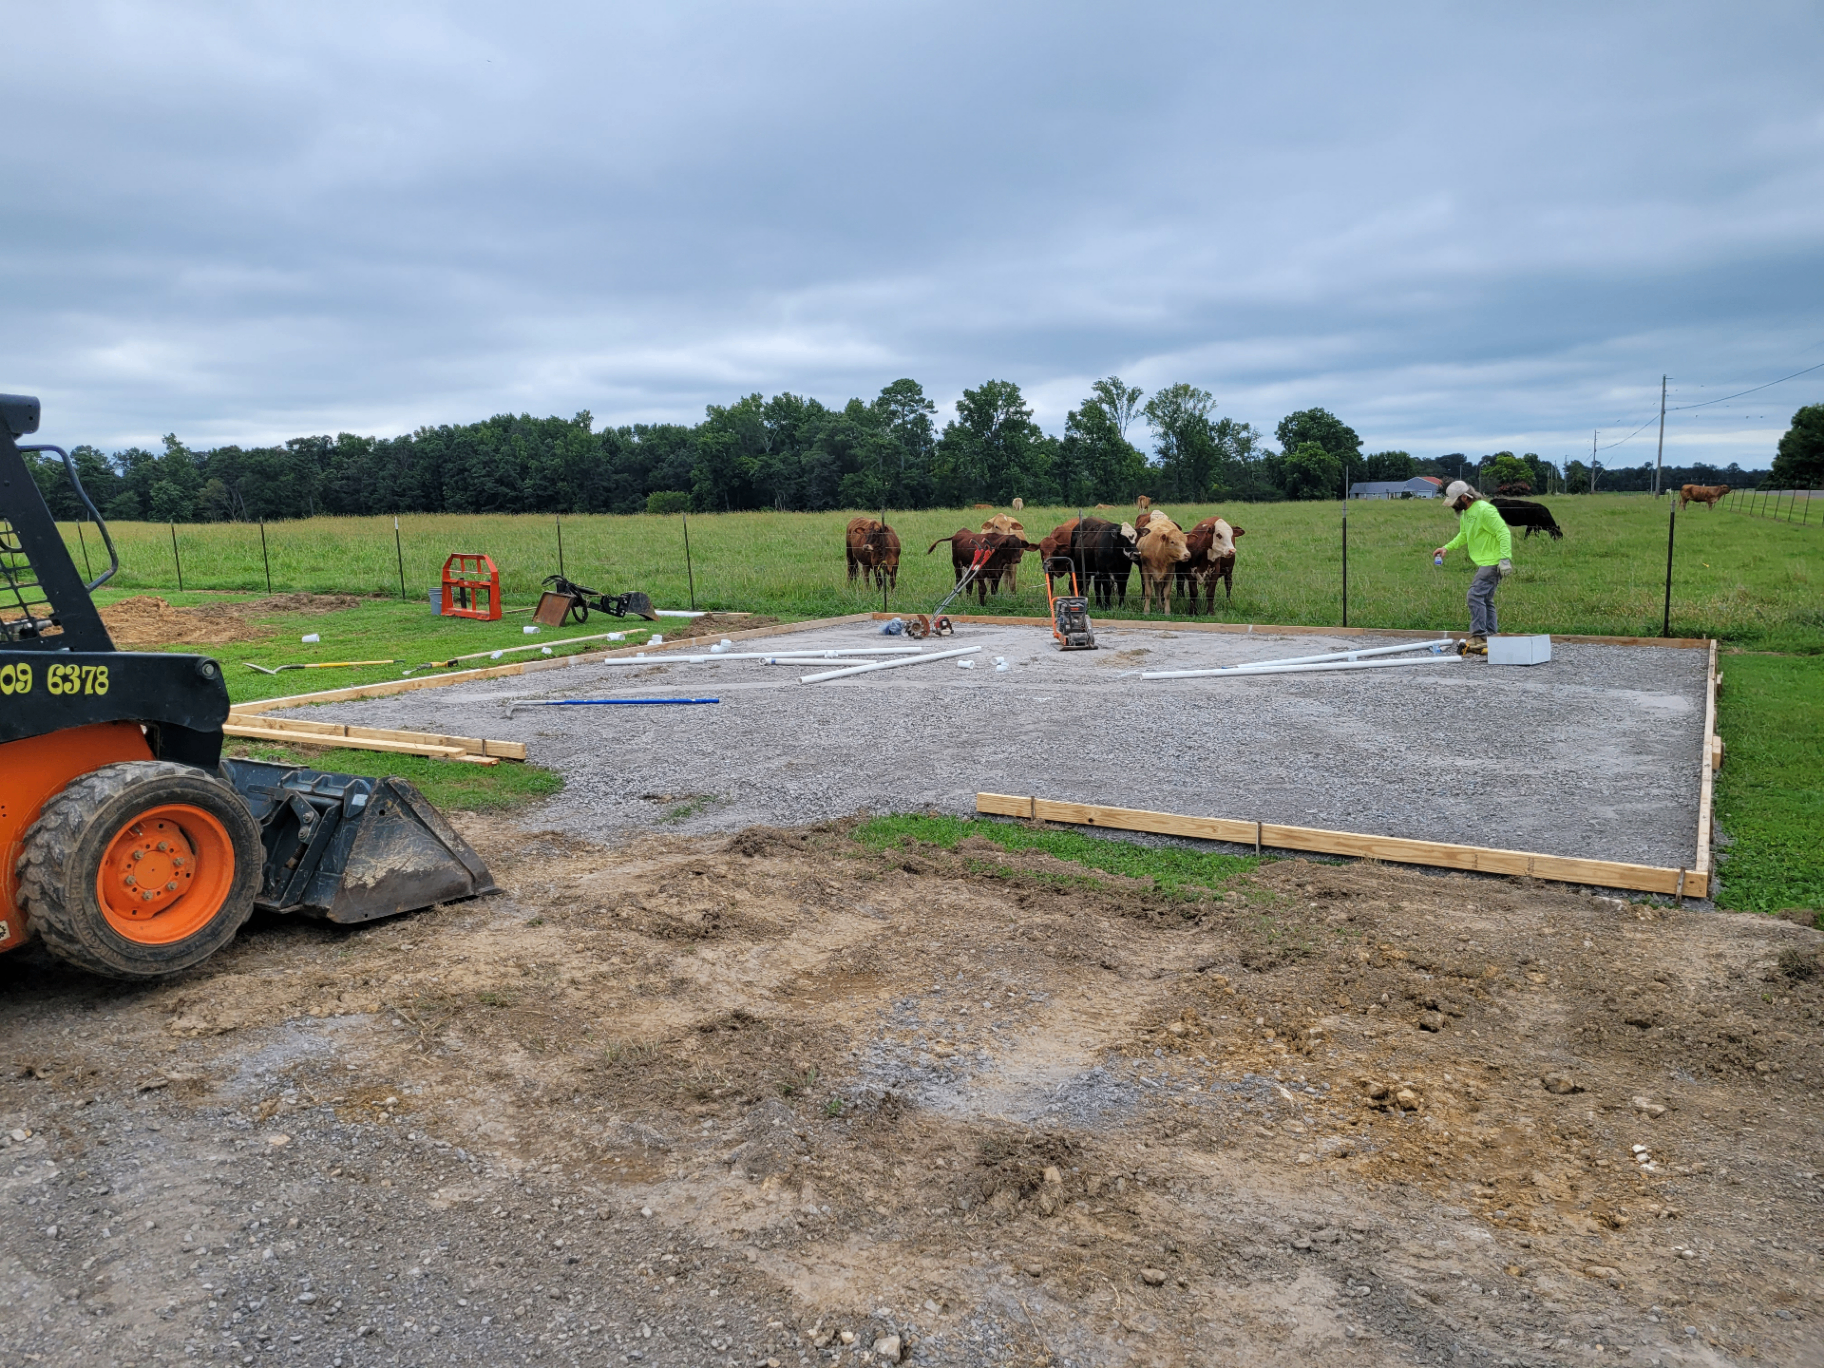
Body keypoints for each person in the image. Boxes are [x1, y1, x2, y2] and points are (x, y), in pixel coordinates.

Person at [1432, 480, 1513, 655]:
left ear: (1464, 497)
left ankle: (1478, 636)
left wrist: (1505, 559)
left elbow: (1503, 532)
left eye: (1455, 501)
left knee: (1474, 595)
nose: (1453, 505)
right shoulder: (1467, 513)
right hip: (1485, 561)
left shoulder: (1485, 510)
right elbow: (1464, 535)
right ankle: (1491, 636)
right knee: (1485, 599)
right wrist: (1446, 547)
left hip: (1493, 561)